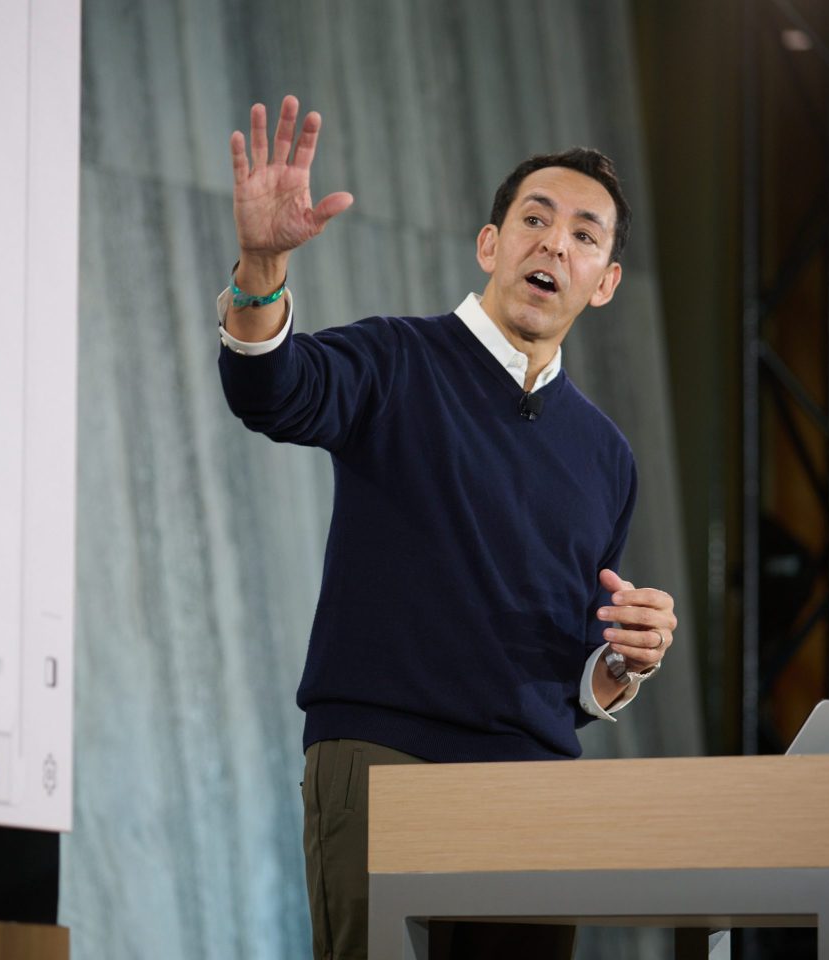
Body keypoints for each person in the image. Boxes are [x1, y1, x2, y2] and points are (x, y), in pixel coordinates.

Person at [216, 96, 678, 960]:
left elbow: (572, 663)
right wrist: (259, 268)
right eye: (534, 220)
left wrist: (621, 661)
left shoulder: (608, 455)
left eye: (585, 235)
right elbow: (270, 391)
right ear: (490, 244)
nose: (554, 243)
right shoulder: (396, 361)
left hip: (535, 794)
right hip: (385, 760)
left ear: (605, 281)